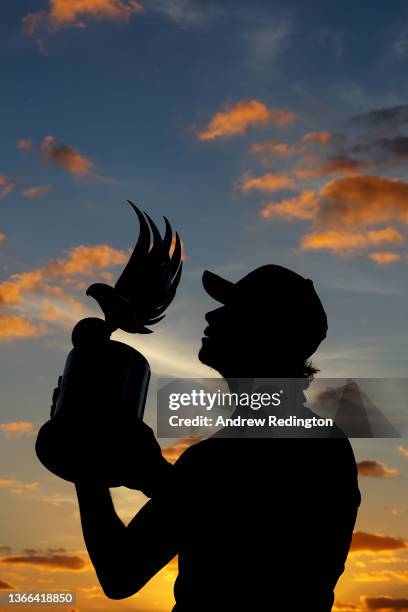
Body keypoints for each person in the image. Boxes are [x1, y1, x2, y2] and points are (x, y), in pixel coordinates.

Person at [74, 265, 361, 611]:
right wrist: (91, 464)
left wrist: (139, 474)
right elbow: (122, 573)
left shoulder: (314, 450)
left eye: (234, 309)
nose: (211, 314)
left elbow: (257, 550)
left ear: (268, 333)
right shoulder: (220, 457)